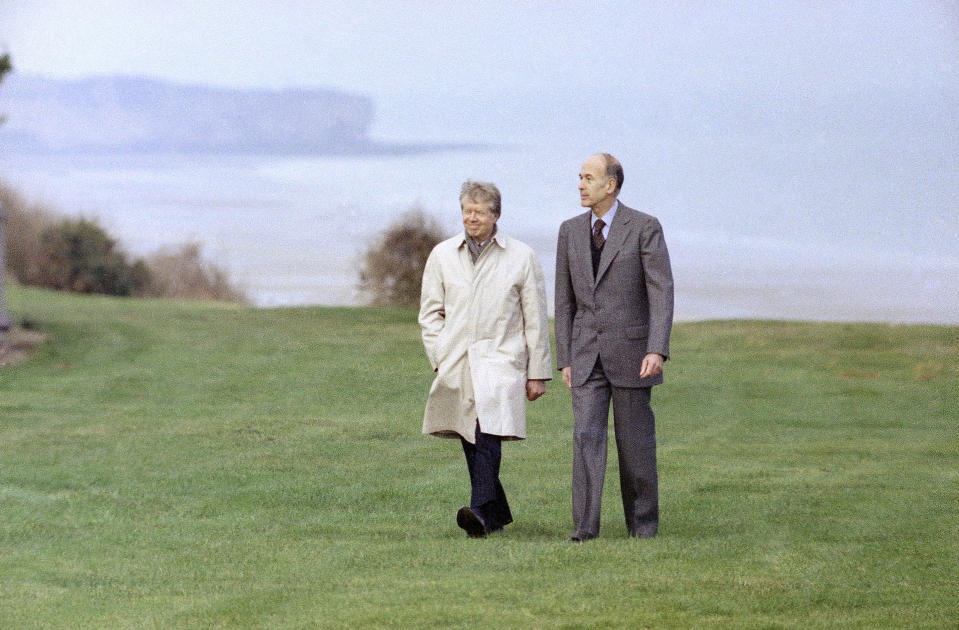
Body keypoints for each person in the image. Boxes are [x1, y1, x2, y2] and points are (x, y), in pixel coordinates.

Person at [419, 180, 552, 538]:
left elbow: (535, 318)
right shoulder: (443, 255)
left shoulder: (521, 257)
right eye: (466, 210)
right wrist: (440, 355)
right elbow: (430, 314)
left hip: (502, 361)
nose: (471, 218)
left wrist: (537, 372)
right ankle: (495, 513)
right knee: (470, 434)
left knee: (486, 433)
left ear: (496, 214)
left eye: (478, 211)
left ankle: (478, 512)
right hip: (457, 361)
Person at [554, 153, 674, 541]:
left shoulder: (644, 227)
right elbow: (564, 301)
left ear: (611, 185)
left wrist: (656, 348)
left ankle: (642, 527)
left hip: (634, 354)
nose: (580, 184)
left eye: (588, 177)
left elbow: (661, 291)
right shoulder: (569, 232)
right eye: (579, 177)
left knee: (634, 443)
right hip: (586, 356)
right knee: (586, 439)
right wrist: (566, 358)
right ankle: (584, 529)